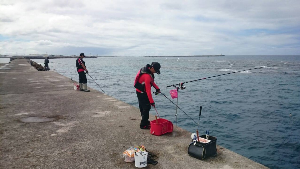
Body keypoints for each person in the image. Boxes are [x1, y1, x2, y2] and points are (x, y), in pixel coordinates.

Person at [134, 62, 161, 129]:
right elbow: (148, 91)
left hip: (140, 91)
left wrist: (157, 88)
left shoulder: (148, 71)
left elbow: (152, 82)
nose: (155, 72)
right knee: (146, 108)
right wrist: (151, 102)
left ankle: (145, 121)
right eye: (155, 70)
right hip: (141, 93)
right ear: (152, 68)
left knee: (143, 107)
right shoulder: (147, 76)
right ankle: (143, 125)